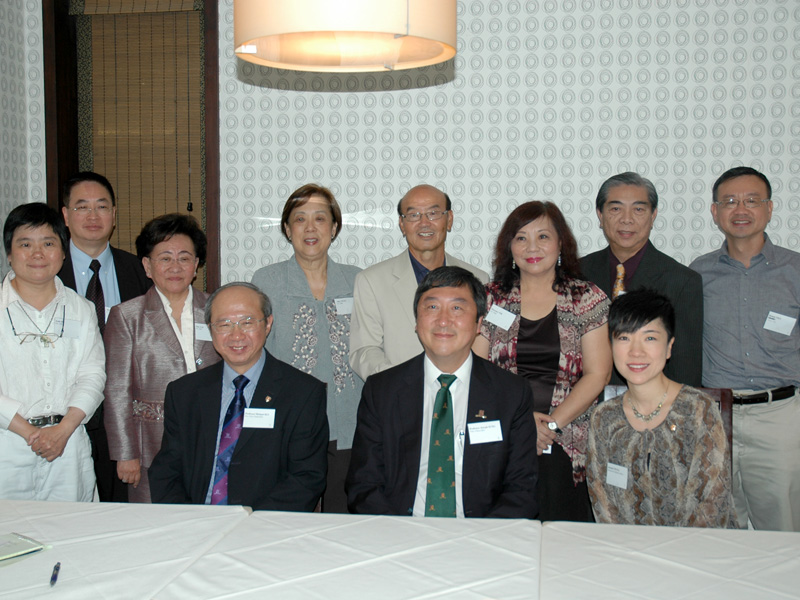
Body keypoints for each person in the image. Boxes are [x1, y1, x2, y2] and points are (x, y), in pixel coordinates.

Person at [346, 266, 538, 518]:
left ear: (480, 323)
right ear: (416, 322)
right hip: (399, 533)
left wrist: (481, 539)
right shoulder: (382, 391)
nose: (443, 320)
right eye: (432, 307)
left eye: (457, 308)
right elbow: (363, 485)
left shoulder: (511, 394)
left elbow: (522, 490)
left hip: (481, 537)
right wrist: (396, 535)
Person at [474, 201, 612, 522]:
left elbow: (598, 374)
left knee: (565, 542)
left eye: (543, 237)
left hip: (567, 438)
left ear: (561, 243)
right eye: (521, 238)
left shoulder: (585, 297)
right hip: (503, 435)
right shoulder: (490, 297)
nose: (532, 247)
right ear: (509, 246)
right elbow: (477, 371)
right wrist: (522, 426)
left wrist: (549, 425)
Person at [149, 282, 328, 511]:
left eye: (247, 322)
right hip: (194, 522)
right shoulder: (184, 393)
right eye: (224, 324)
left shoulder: (302, 393)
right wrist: (187, 519)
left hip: (264, 526)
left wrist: (252, 523)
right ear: (210, 329)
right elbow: (167, 470)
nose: (236, 335)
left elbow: (306, 478)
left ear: (268, 324)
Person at [690, 166, 800, 532]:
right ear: (715, 211)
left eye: (752, 201)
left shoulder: (795, 271)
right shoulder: (698, 274)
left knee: (784, 529)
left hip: (780, 416)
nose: (741, 209)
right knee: (720, 528)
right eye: (730, 201)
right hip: (717, 417)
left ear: (769, 209)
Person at [251, 184, 362, 513]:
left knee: (344, 515)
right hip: (290, 421)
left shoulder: (358, 280)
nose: (310, 228)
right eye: (300, 219)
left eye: (320, 218)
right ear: (287, 229)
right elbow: (257, 354)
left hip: (349, 420)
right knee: (292, 517)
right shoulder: (266, 281)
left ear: (335, 227)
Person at [587, 289, 737, 527]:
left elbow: (712, 502)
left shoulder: (698, 410)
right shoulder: (604, 417)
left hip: (697, 552)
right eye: (624, 338)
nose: (636, 351)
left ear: (669, 347)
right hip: (627, 553)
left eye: (650, 338)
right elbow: (602, 501)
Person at [104, 214, 221, 503]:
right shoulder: (127, 316)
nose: (175, 267)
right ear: (147, 265)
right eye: (165, 258)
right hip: (151, 444)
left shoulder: (215, 308)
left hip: (211, 436)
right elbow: (117, 390)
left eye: (184, 258)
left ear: (196, 265)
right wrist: (125, 453)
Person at [0, 203, 105, 501]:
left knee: (72, 534)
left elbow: (93, 375)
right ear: (9, 253)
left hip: (68, 444)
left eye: (48, 243)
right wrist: (30, 434)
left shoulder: (82, 309)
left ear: (62, 251)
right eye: (25, 244)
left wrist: (63, 430)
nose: (37, 254)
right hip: (8, 445)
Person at [58, 171, 151, 502]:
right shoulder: (49, 273)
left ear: (114, 214)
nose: (93, 216)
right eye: (82, 207)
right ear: (66, 216)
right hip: (65, 417)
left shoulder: (140, 271)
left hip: (123, 419)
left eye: (101, 206)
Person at [349, 184, 488, 380]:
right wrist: (402, 386)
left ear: (449, 220)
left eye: (433, 213)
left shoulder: (479, 279)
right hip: (399, 397)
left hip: (463, 397)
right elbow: (364, 351)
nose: (424, 223)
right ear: (401, 224)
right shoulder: (371, 281)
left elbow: (480, 348)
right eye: (413, 215)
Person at [581, 172, 703, 386]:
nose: (626, 219)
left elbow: (685, 368)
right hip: (584, 407)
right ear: (600, 215)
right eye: (615, 208)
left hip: (651, 408)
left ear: (653, 215)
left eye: (638, 209)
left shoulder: (682, 281)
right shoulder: (578, 273)